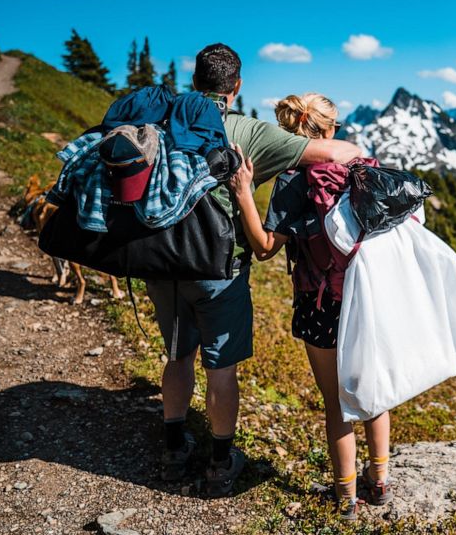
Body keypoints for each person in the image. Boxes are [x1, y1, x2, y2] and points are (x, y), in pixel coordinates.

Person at [146, 46, 361, 497]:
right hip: (217, 267)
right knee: (220, 368)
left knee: (177, 356)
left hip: (161, 260)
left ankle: (172, 451)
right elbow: (341, 152)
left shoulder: (164, 119)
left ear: (195, 79)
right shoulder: (246, 130)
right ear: (236, 85)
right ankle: (220, 462)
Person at [228, 92, 391, 520]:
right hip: (367, 297)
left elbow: (264, 247)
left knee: (336, 402)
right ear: (328, 129)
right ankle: (381, 481)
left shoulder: (291, 180)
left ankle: (346, 498)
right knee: (372, 392)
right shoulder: (359, 170)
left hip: (319, 303)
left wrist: (244, 193)